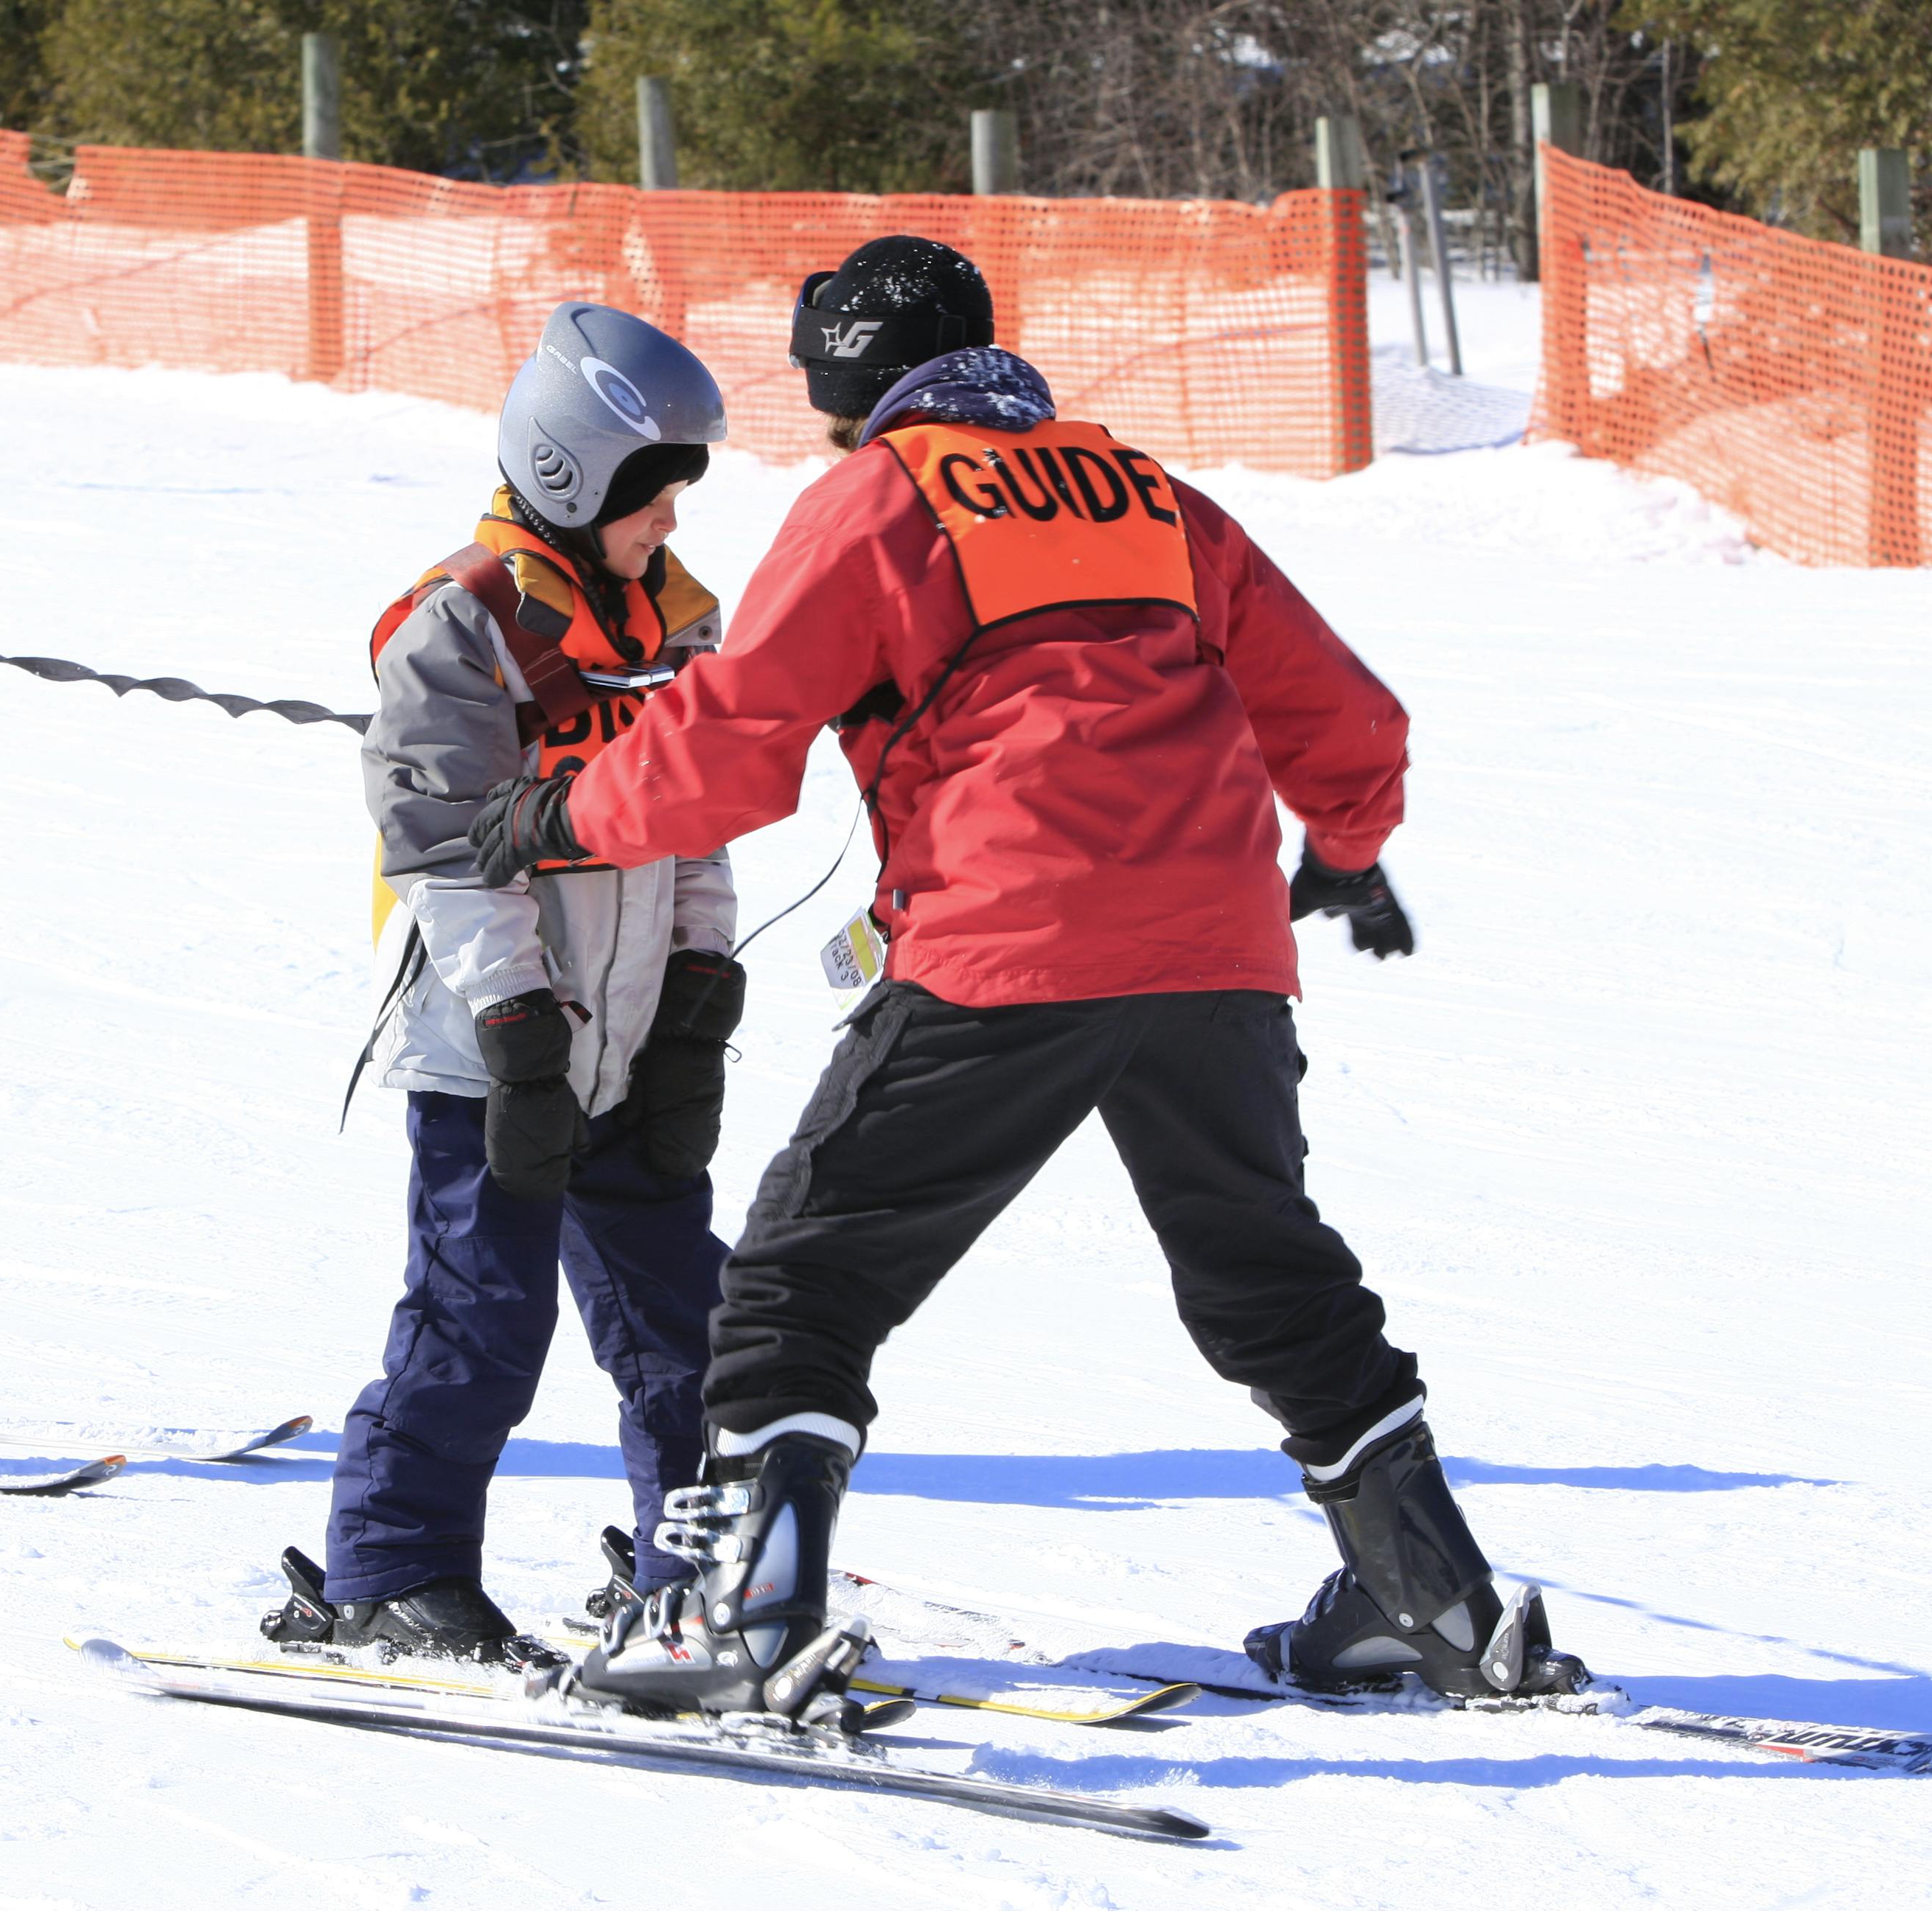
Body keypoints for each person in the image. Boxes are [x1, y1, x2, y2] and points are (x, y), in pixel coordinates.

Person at [467, 237, 1584, 1717]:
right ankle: (1433, 1601)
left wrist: (566, 813)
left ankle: (744, 1613)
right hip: (1217, 950)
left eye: (824, 399)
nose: (824, 430)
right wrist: (1349, 847)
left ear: (857, 381)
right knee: (1266, 1276)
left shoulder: (882, 497)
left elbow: (735, 744)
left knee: (805, 1276)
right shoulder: (1147, 492)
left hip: (1010, 934)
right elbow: (1345, 712)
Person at [259, 304, 746, 1666]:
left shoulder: (682, 620)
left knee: (686, 1325)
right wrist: (520, 1023)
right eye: (653, 494)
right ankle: (390, 1569)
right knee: (480, 1320)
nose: (673, 519)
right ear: (572, 476)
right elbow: (442, 852)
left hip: (636, 1031)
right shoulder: (461, 625)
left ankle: (698, 1581)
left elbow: (697, 823)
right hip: (494, 1050)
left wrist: (701, 983)